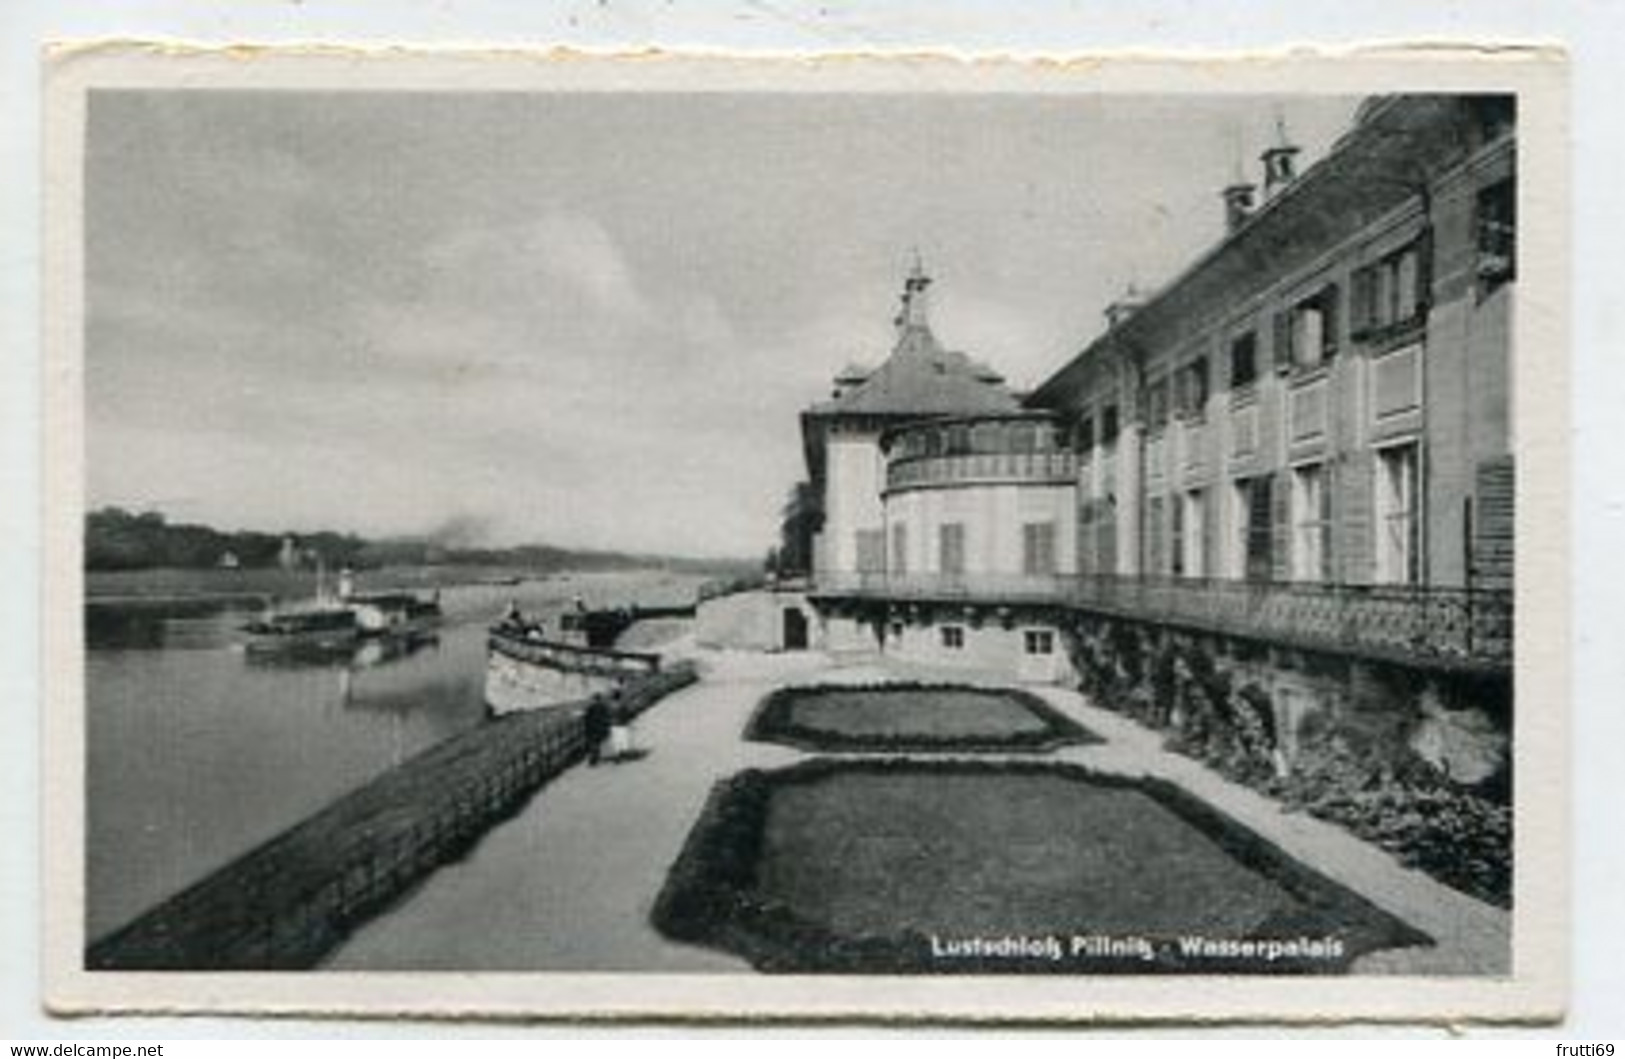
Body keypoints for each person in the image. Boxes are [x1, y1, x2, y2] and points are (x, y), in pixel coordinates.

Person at [583, 695, 613, 766]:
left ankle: (593, 760)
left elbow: (586, 719)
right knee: (597, 744)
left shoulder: (591, 708)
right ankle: (595, 758)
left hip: (593, 729)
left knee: (594, 744)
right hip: (600, 729)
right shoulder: (603, 707)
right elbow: (607, 717)